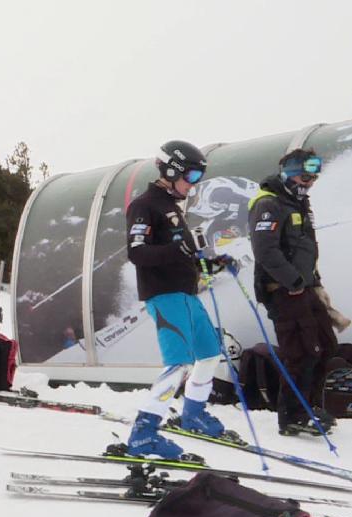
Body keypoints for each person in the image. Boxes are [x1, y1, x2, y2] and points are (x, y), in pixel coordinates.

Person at [124, 140, 233, 459]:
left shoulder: (173, 208)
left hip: (187, 294)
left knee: (210, 352)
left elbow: (183, 255)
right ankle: (144, 434)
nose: (194, 184)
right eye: (193, 176)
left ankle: (193, 414)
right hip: (164, 295)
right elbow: (137, 252)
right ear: (171, 171)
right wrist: (179, 250)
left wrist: (210, 264)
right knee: (178, 363)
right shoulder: (145, 206)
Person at [248, 149, 338, 435]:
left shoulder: (297, 203)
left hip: (305, 288)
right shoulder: (269, 203)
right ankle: (293, 415)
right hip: (284, 291)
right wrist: (294, 282)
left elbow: (305, 251)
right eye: (304, 175)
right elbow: (265, 251)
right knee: (301, 352)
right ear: (288, 172)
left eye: (313, 177)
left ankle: (311, 406)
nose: (309, 182)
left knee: (325, 345)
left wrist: (315, 282)